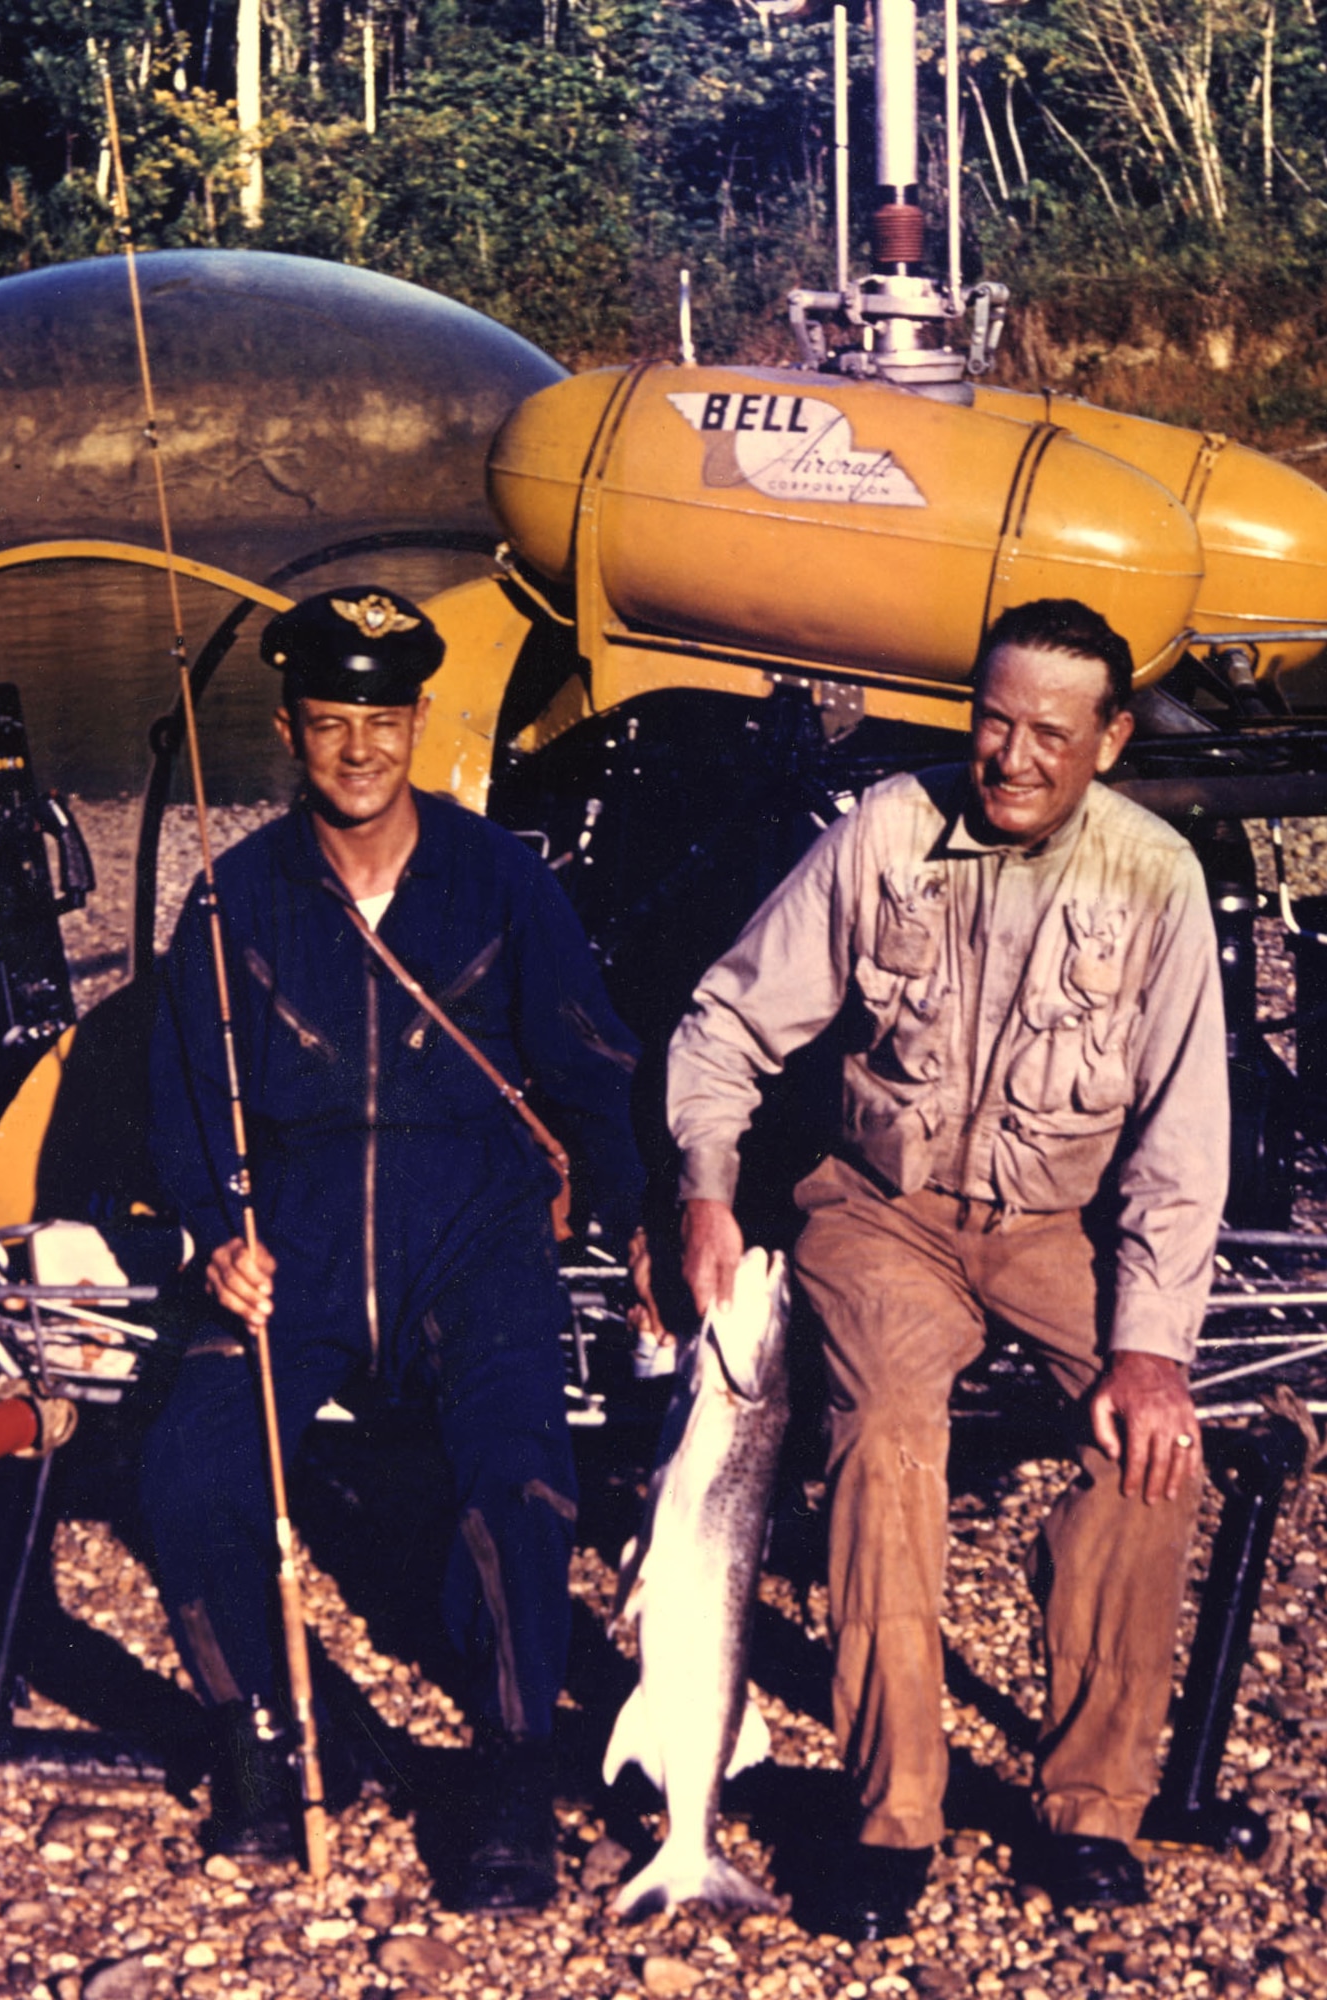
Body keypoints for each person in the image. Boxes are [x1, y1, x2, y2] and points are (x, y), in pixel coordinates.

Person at [667, 598, 1227, 1939]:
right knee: (887, 1440)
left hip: (1059, 1231)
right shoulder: (883, 833)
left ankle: (1090, 1805)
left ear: (1108, 739)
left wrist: (1150, 1348)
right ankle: (890, 1816)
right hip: (880, 1215)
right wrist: (702, 1190)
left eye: (1049, 731)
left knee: (1150, 1453)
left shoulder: (1155, 879)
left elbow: (1181, 1140)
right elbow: (720, 1024)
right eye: (991, 720)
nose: (1014, 756)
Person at [142, 586, 647, 1910]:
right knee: (188, 1471)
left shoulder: (502, 878)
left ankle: (510, 1765)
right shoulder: (231, 896)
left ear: (420, 718)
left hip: (473, 1229)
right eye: (327, 721)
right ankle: (268, 1733)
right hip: (295, 1239)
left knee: (517, 1474)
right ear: (285, 730)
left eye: (381, 717)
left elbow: (591, 1064)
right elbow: (185, 1097)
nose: (357, 748)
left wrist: (635, 1214)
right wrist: (211, 1237)